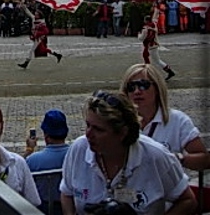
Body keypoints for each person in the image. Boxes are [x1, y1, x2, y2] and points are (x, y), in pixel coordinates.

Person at [59, 90, 196, 215]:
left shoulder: (156, 157)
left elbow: (188, 201)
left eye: (98, 129)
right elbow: (67, 193)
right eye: (88, 125)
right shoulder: (78, 149)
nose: (88, 134)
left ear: (123, 133)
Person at [120, 63, 209, 172]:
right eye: (131, 87)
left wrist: (176, 159)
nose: (137, 91)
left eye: (144, 85)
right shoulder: (118, 122)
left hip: (167, 187)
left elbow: (204, 160)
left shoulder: (178, 120)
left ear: (157, 88)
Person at [25, 109, 70, 215]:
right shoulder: (75, 155)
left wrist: (29, 150)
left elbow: (17, 169)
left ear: (46, 134)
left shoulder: (33, 160)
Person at [18, 4, 62, 69]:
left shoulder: (42, 22)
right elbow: (29, 13)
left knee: (32, 50)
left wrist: (38, 34)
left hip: (38, 37)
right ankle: (57, 55)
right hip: (36, 37)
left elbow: (46, 31)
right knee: (43, 49)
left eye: (36, 14)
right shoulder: (34, 18)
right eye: (35, 14)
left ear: (39, 15)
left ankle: (26, 63)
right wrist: (24, 7)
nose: (35, 15)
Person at [138, 9, 175, 80]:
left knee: (155, 60)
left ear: (146, 20)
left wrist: (138, 34)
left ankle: (167, 72)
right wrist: (156, 10)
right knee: (154, 59)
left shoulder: (145, 28)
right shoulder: (154, 24)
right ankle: (149, 72)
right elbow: (155, 17)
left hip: (149, 46)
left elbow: (141, 38)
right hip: (155, 44)